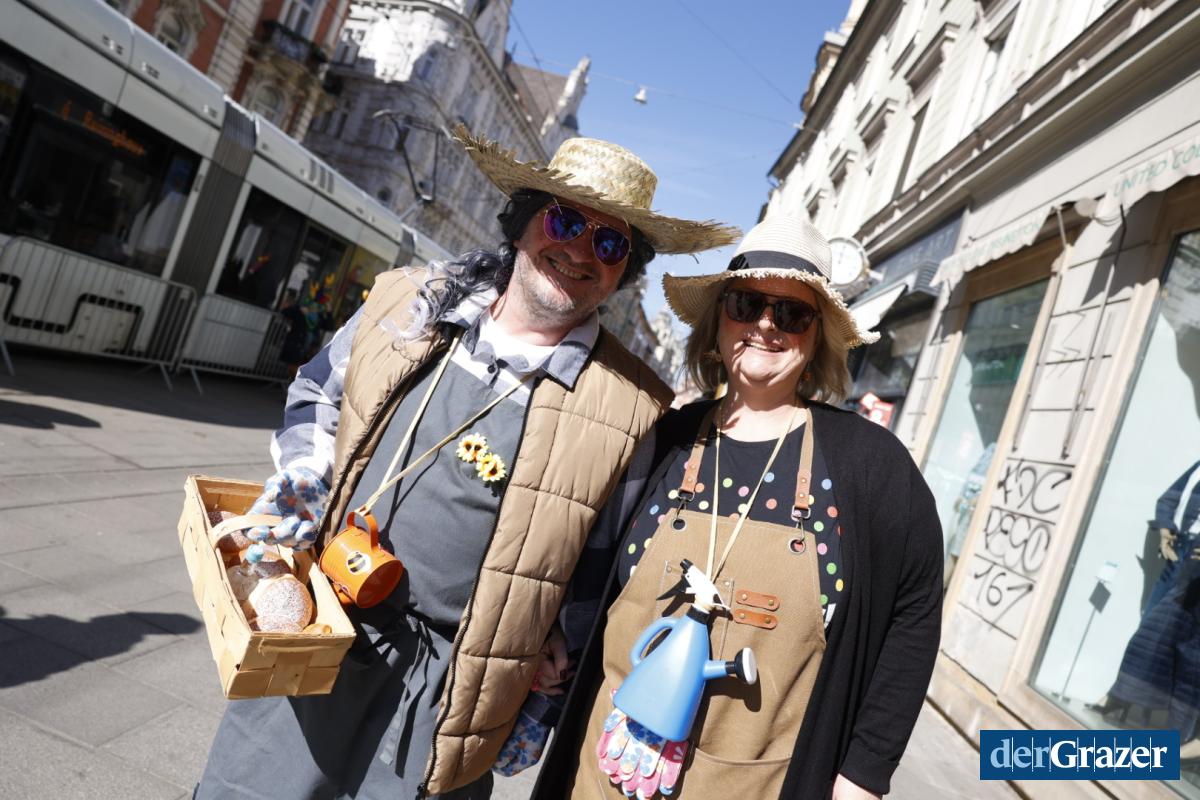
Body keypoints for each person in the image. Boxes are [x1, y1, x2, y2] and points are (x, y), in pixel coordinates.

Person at [193, 127, 737, 799]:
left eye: (609, 243)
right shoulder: (409, 304)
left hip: (450, 694)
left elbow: (600, 562)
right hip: (318, 626)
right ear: (523, 221)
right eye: (565, 221)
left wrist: (554, 649)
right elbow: (317, 390)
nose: (580, 251)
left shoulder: (630, 404)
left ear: (624, 269)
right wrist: (304, 476)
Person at [533, 215, 945, 799]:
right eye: (746, 304)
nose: (766, 325)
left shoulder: (870, 465)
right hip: (605, 773)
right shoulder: (663, 439)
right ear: (719, 321)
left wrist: (865, 771)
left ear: (817, 337)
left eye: (792, 314)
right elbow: (579, 543)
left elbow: (915, 608)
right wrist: (556, 630)